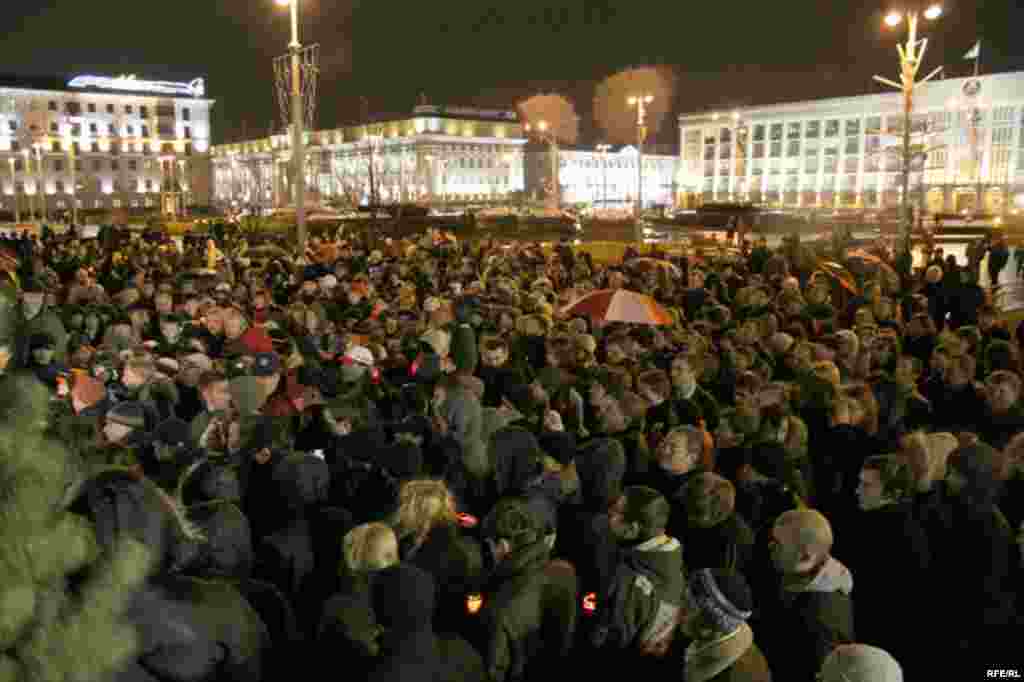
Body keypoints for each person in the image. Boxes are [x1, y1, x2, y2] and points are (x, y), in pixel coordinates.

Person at [476, 497, 577, 682]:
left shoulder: (499, 609)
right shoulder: (565, 572)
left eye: (489, 545)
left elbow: (493, 671)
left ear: (503, 546)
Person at [757, 509, 854, 682]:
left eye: (778, 543)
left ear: (804, 556)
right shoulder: (794, 573)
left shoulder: (819, 618)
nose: (770, 546)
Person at [681, 569, 772, 682]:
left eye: (690, 606)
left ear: (714, 621)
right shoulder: (712, 640)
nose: (680, 610)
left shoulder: (739, 674)